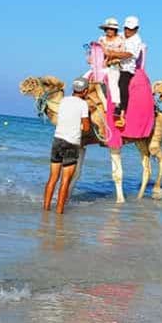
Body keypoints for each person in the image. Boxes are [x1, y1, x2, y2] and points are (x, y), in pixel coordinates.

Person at [43, 77, 91, 214]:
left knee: (52, 178)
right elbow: (86, 128)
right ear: (85, 90)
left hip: (57, 141)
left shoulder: (63, 101)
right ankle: (59, 212)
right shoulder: (83, 105)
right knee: (65, 181)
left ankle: (45, 209)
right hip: (71, 143)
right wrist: (80, 124)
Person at [103, 16, 144, 128]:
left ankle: (121, 110)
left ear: (136, 29)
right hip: (113, 65)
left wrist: (113, 54)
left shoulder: (136, 40)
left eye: (130, 29)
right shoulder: (121, 35)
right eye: (126, 28)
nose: (127, 31)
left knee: (122, 85)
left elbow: (129, 54)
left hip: (126, 68)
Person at [96, 17, 125, 109]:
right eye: (107, 28)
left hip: (114, 65)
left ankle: (117, 104)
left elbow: (121, 54)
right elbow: (97, 51)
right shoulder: (101, 39)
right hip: (101, 65)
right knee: (86, 77)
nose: (109, 30)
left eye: (111, 29)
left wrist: (111, 58)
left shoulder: (120, 40)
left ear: (115, 30)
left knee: (113, 82)